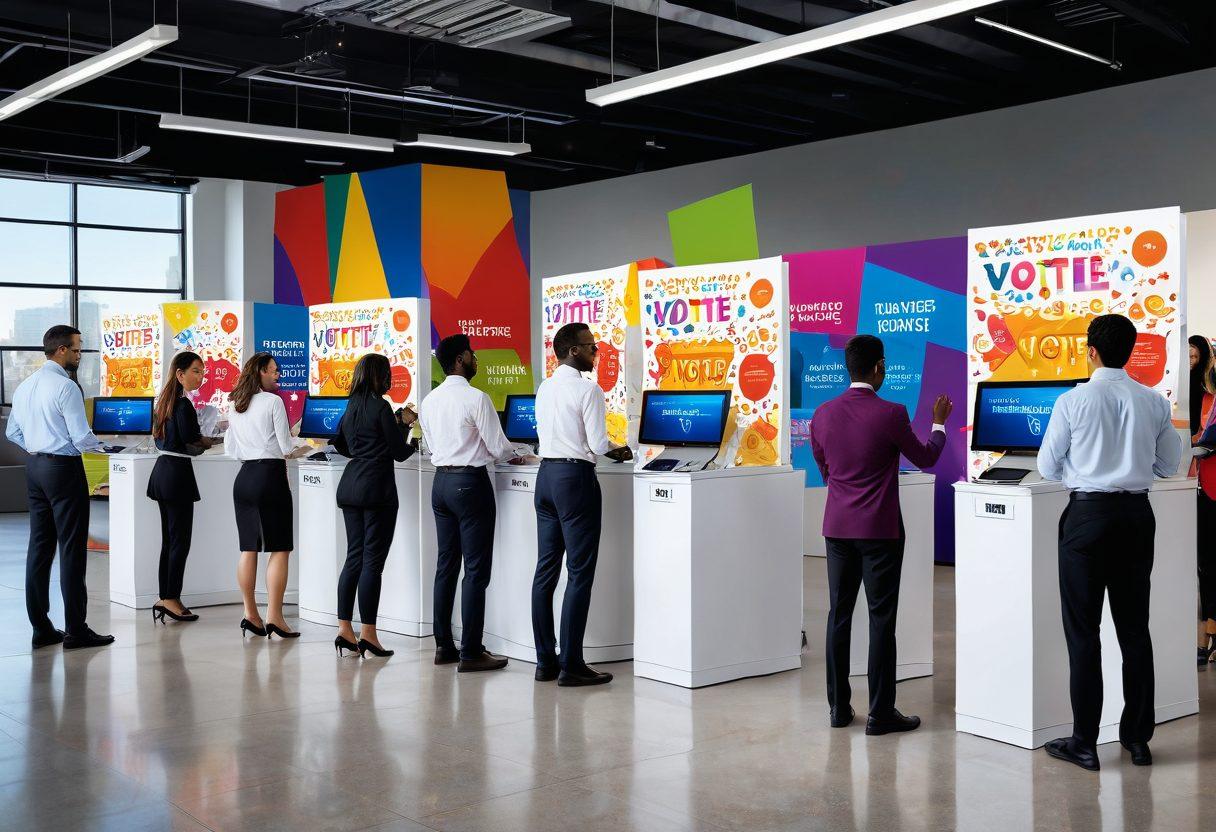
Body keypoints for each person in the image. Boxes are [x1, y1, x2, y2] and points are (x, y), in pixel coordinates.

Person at [1038, 314, 1183, 771]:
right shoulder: (1154, 402)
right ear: (1130, 349)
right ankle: (1137, 741)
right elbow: (1168, 466)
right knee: (1134, 631)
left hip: (1086, 517)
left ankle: (1084, 743)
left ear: (1091, 350)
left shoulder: (1072, 400)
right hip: (1137, 518)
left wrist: (1081, 479)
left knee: (1084, 635)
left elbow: (1046, 465)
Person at [809, 334, 950, 735]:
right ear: (878, 368)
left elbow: (826, 468)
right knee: (880, 619)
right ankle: (880, 713)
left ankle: (838, 709)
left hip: (836, 527)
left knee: (839, 616)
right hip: (880, 531)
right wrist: (939, 422)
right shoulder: (891, 413)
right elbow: (926, 456)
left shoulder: (822, 414)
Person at [532, 322, 633, 686]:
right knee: (579, 572)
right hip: (575, 480)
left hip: (546, 479)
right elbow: (598, 442)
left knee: (545, 571)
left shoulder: (545, 387)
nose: (596, 353)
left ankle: (546, 662)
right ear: (574, 351)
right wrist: (625, 451)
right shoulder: (588, 390)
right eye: (592, 347)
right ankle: (572, 663)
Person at [5, 325, 115, 650]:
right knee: (71, 548)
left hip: (36, 467)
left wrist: (38, 447)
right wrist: (106, 448)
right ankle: (76, 630)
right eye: (78, 349)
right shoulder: (66, 387)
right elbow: (81, 438)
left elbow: (13, 432)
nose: (81, 355)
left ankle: (41, 628)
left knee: (39, 547)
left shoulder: (25, 386)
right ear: (62, 350)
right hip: (63, 470)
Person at [418, 334, 515, 672]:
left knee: (446, 566)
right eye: (472, 355)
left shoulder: (429, 400)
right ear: (460, 359)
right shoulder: (477, 398)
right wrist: (517, 455)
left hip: (441, 482)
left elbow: (430, 444)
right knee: (475, 571)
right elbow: (499, 447)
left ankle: (444, 645)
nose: (477, 359)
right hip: (470, 485)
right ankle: (471, 651)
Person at [331, 353, 418, 659]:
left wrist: (370, 443)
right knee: (373, 563)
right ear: (382, 376)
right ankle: (369, 634)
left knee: (353, 557)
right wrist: (409, 431)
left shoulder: (351, 404)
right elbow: (398, 452)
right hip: (377, 489)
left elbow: (340, 444)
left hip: (350, 484)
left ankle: (345, 630)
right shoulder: (381, 406)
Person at [225, 352, 300, 640]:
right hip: (270, 478)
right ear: (260, 373)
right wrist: (305, 446)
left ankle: (250, 615)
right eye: (273, 370)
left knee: (248, 548)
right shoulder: (273, 402)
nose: (278, 374)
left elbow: (232, 449)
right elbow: (285, 447)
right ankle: (275, 618)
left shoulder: (235, 403)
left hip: (244, 479)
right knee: (280, 548)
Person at [147, 351, 217, 623]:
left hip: (162, 475)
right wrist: (213, 440)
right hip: (177, 477)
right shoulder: (184, 405)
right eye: (196, 371)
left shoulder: (164, 402)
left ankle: (165, 595)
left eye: (202, 372)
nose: (201, 377)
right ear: (180, 374)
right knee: (180, 542)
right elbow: (193, 443)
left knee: (169, 541)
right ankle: (172, 599)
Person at [1190, 335, 1216, 665]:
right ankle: (1205, 632)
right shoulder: (1199, 396)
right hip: (1198, 485)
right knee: (1204, 565)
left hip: (1211, 483)